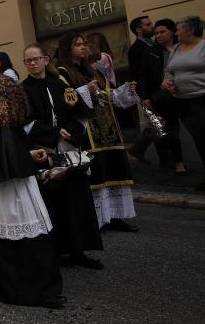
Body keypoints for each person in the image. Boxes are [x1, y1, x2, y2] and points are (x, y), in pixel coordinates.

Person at [0, 76, 65, 308]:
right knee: (31, 237)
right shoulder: (6, 130)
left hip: (1, 192)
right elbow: (12, 162)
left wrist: (30, 156)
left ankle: (10, 286)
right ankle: (36, 290)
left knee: (5, 238)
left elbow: (9, 158)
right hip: (18, 189)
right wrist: (31, 158)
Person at [21, 43, 103, 269]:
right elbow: (24, 123)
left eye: (36, 59)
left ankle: (78, 250)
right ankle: (54, 251)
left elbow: (80, 113)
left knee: (76, 201)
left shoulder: (60, 84)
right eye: (28, 60)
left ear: (46, 60)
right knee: (51, 203)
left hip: (69, 150)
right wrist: (54, 133)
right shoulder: (22, 90)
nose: (33, 63)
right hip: (44, 152)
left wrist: (71, 131)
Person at [55, 32, 140, 232]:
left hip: (108, 129)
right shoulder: (62, 73)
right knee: (97, 173)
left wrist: (126, 90)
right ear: (68, 48)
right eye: (78, 45)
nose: (83, 47)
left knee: (113, 169)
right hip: (88, 131)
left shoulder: (93, 70)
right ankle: (97, 218)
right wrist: (86, 91)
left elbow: (109, 95)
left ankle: (115, 215)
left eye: (84, 44)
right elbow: (65, 101)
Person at [132, 19, 184, 172]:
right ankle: (177, 162)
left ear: (172, 32)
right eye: (156, 33)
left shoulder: (181, 48)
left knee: (161, 127)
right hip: (161, 96)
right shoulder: (152, 51)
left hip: (184, 93)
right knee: (169, 129)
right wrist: (145, 97)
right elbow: (142, 75)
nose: (159, 35)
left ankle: (141, 148)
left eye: (162, 32)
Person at [163, 16, 205, 175]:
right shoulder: (177, 48)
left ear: (191, 31)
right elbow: (169, 70)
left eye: (179, 29)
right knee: (198, 139)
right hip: (182, 101)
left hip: (201, 99)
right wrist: (168, 81)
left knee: (203, 137)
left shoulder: (202, 47)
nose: (176, 32)